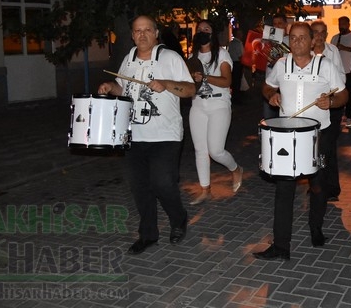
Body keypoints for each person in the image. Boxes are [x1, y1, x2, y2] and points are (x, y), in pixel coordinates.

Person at [97, 15, 196, 255]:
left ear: (156, 32)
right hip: (134, 134)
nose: (142, 35)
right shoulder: (128, 58)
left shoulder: (170, 58)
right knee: (140, 187)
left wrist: (167, 84)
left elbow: (190, 89)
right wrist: (111, 88)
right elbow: (125, 88)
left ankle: (178, 218)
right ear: (132, 35)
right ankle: (148, 234)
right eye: (137, 31)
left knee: (162, 182)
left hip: (165, 135)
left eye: (147, 30)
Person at [253, 22, 348, 260]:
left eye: (302, 38)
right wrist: (271, 95)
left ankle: (316, 228)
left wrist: (332, 102)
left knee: (318, 186)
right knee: (284, 189)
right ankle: (281, 245)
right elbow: (267, 86)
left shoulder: (325, 65)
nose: (297, 42)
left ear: (313, 40)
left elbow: (343, 94)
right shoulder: (281, 65)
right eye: (293, 38)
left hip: (319, 135)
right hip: (288, 134)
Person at [188, 20, 244, 205]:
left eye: (207, 29)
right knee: (200, 150)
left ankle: (236, 169)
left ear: (213, 34)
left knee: (216, 150)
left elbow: (226, 81)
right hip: (197, 104)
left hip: (219, 103)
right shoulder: (193, 56)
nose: (203, 32)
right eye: (200, 29)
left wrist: (204, 77)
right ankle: (205, 189)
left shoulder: (221, 54)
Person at [311, 20, 346, 201]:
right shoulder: (305, 53)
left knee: (328, 147)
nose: (319, 36)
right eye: (315, 32)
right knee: (313, 147)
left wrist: (329, 93)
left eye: (322, 32)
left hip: (331, 105)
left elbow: (341, 77)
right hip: (312, 108)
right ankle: (317, 184)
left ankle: (332, 188)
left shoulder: (333, 51)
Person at [331, 16, 351, 128]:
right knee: (337, 95)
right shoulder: (335, 38)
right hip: (337, 72)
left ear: (348, 24)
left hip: (350, 71)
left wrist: (344, 47)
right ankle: (338, 117)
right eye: (340, 24)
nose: (341, 26)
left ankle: (349, 116)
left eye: (344, 24)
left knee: (350, 95)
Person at [228, 27, 245, 104]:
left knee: (234, 81)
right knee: (237, 81)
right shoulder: (239, 43)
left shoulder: (231, 43)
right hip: (238, 63)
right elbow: (240, 55)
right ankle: (237, 98)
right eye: (241, 33)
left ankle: (233, 96)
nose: (242, 35)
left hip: (232, 63)